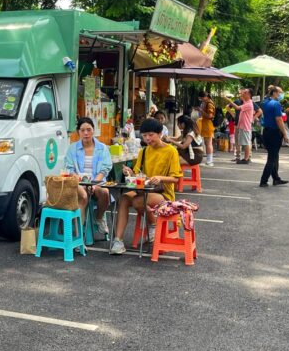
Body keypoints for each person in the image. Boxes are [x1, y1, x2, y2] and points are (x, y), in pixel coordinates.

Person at [110, 117, 182, 255]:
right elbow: (138, 174)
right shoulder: (143, 151)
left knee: (138, 201)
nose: (148, 138)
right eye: (144, 135)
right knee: (124, 199)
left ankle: (153, 225)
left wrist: (160, 178)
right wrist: (130, 172)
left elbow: (176, 179)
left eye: (151, 135)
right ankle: (118, 241)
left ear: (160, 133)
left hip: (163, 193)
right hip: (143, 190)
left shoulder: (171, 151)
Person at [64, 117, 112, 241]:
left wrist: (94, 185)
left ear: (93, 131)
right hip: (79, 183)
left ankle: (99, 218)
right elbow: (69, 169)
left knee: (105, 192)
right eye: (83, 130)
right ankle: (79, 235)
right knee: (83, 195)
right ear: (78, 132)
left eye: (89, 130)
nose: (86, 133)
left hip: (97, 182)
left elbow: (105, 169)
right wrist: (77, 178)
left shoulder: (102, 148)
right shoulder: (72, 148)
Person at [259, 85, 289, 188]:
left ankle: (276, 178)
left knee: (274, 156)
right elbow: (279, 120)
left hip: (266, 131)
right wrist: (285, 133)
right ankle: (263, 180)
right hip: (274, 132)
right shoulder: (276, 104)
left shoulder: (264, 103)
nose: (281, 94)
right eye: (279, 92)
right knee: (272, 158)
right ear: (274, 93)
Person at [227, 88, 259, 164]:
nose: (242, 94)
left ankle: (246, 159)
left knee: (246, 143)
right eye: (242, 92)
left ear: (249, 95)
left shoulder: (249, 103)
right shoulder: (245, 102)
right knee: (242, 142)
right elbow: (228, 107)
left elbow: (237, 107)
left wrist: (229, 100)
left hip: (245, 126)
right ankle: (243, 157)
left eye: (245, 92)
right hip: (241, 125)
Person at [197, 91, 216, 166]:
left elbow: (210, 116)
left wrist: (201, 110)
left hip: (208, 124)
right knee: (207, 143)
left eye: (202, 98)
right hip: (205, 124)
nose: (201, 99)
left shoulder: (209, 104)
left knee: (208, 143)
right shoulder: (207, 103)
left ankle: (209, 161)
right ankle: (209, 160)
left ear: (205, 97)